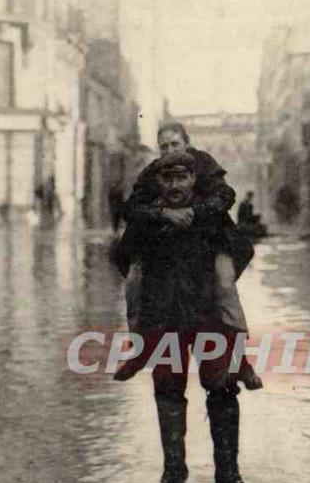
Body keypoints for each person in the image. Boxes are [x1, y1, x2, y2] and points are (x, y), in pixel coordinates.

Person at [118, 151, 250, 483]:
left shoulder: (210, 215)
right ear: (157, 182)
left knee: (222, 388)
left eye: (182, 178)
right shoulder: (146, 219)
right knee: (168, 389)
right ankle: (174, 471)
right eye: (167, 179)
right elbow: (123, 257)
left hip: (208, 317)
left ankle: (229, 475)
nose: (175, 186)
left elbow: (241, 251)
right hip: (166, 318)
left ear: (194, 179)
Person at [112, 121, 262, 390]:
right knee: (134, 281)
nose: (169, 151)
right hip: (162, 245)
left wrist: (196, 213)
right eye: (164, 147)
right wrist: (162, 214)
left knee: (225, 285)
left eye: (175, 144)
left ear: (187, 143)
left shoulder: (203, 163)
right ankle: (139, 348)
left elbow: (226, 195)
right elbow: (131, 207)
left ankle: (241, 358)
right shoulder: (152, 172)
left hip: (211, 239)